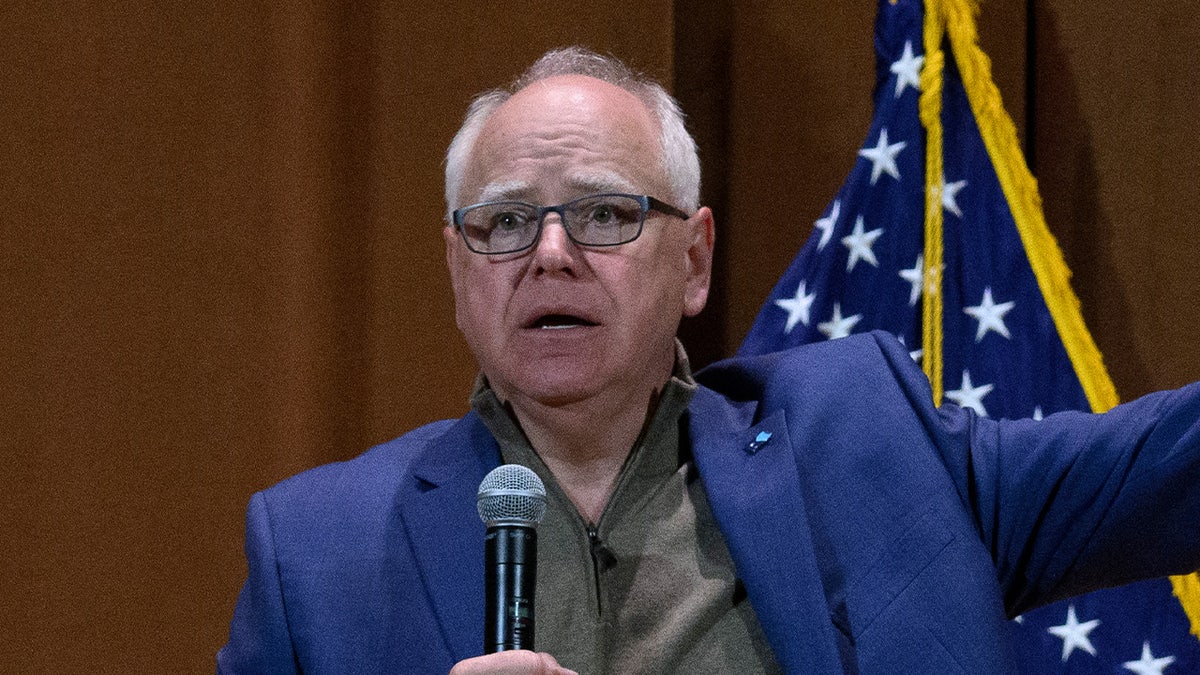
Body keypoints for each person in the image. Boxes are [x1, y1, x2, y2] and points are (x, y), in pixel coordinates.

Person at [217, 47, 1200, 674]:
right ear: (457, 268)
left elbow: (1170, 469)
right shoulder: (317, 552)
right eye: (506, 222)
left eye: (605, 214)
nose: (551, 253)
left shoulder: (872, 451)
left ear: (694, 262)